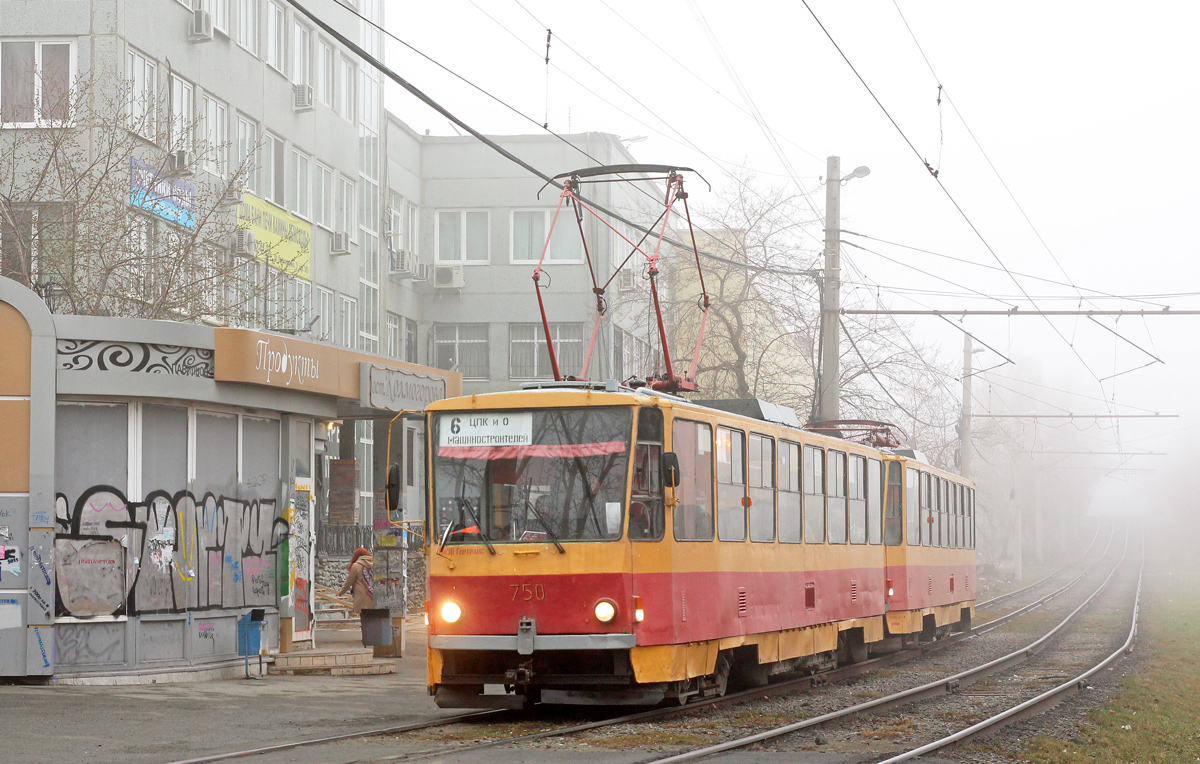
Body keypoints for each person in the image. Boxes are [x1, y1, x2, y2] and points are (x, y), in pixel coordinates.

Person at [339, 547, 375, 617]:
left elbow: (349, 581)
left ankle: (365, 627)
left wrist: (342, 592)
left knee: (364, 615)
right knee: (371, 616)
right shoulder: (373, 564)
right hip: (372, 594)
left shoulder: (356, 565)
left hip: (361, 596)